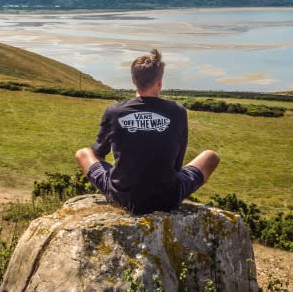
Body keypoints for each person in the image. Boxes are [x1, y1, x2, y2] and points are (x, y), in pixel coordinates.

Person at [75, 48, 220, 214]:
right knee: (211, 156)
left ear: (133, 80)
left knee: (83, 153)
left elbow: (98, 153)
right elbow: (177, 166)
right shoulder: (178, 112)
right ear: (159, 82)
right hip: (167, 198)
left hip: (122, 198)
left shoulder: (114, 112)